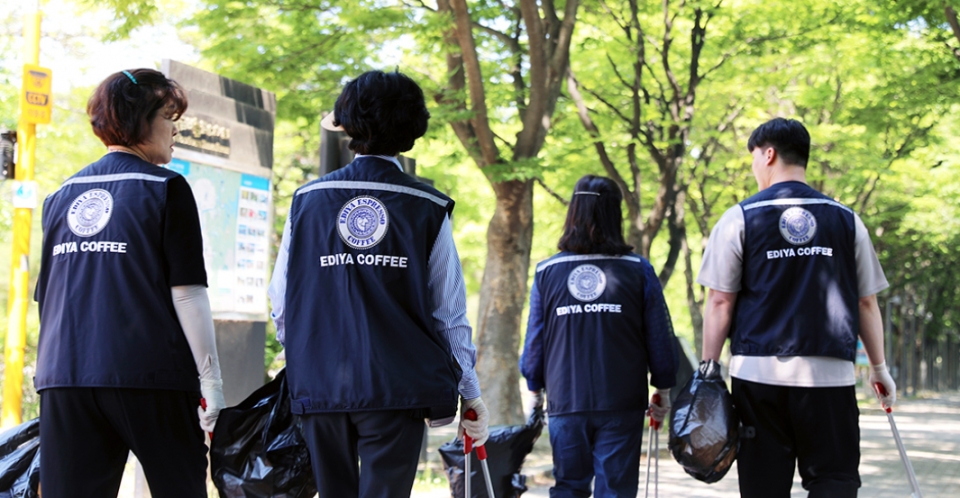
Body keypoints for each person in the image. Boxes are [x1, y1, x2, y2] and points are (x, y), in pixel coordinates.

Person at [267, 69, 489, 497]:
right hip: (397, 387)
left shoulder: (307, 201)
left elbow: (281, 300)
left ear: (347, 122)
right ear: (413, 128)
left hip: (320, 384)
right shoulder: (427, 205)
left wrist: (304, 354)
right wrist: (471, 392)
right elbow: (448, 313)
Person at [34, 68, 224, 497]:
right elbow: (188, 293)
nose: (175, 129)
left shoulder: (60, 195)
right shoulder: (166, 188)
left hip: (65, 377)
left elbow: (46, 297)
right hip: (150, 375)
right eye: (168, 116)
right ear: (139, 120)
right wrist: (212, 384)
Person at [698, 117, 896, 497]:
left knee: (764, 485)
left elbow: (720, 300)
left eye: (754, 157)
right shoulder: (846, 219)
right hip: (830, 376)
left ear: (768, 154)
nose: (755, 166)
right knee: (833, 479)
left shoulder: (740, 217)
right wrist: (878, 368)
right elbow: (866, 302)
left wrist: (710, 371)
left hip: (758, 376)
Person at [519, 175, 679, 498]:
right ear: (615, 216)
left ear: (573, 213)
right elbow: (660, 338)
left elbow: (535, 341)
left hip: (566, 399)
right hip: (622, 400)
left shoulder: (547, 272)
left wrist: (533, 389)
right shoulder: (638, 270)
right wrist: (662, 387)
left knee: (569, 486)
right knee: (616, 491)